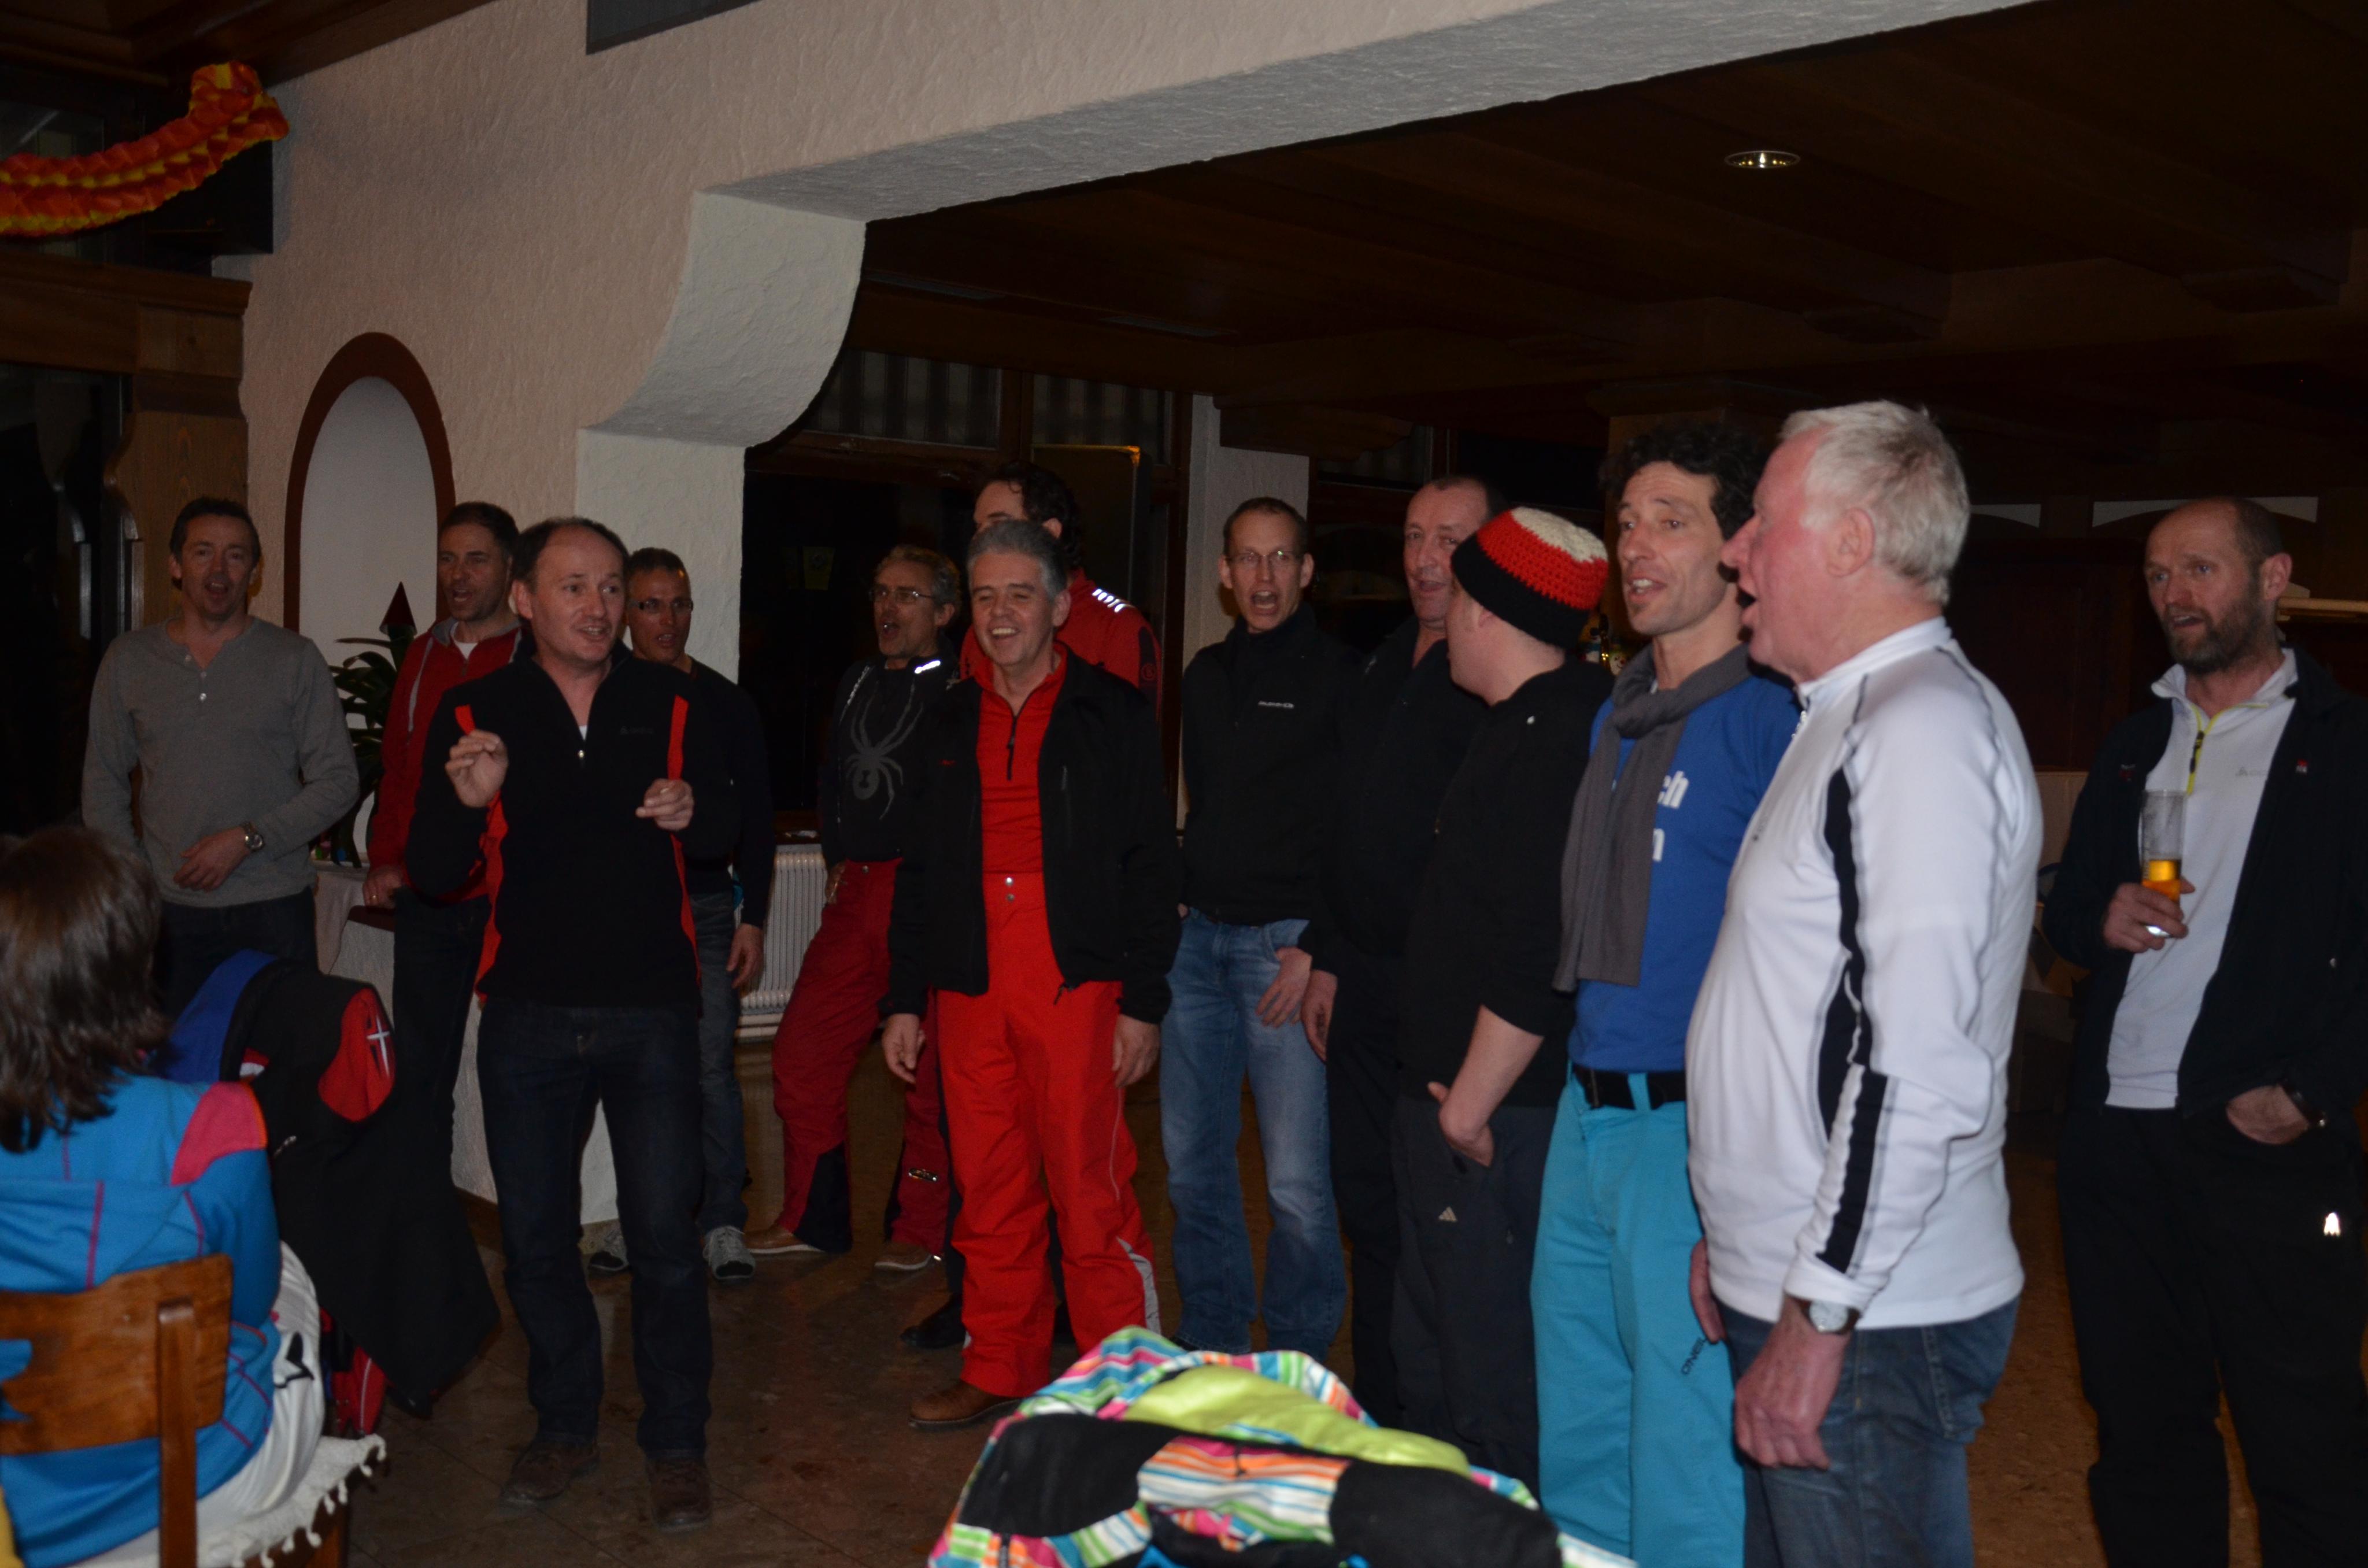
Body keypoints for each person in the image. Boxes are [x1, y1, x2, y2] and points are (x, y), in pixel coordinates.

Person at [1688, 401, 2038, 1568]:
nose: (1736, 551)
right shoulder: (1846, 715)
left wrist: (1821, 1300)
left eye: (1760, 521)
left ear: (1850, 542)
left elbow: (1916, 1064)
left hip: (1874, 1316)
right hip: (1814, 1280)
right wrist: (1741, 1232)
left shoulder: (1917, 728)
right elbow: (1798, 999)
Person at [2044, 498, 2368, 1566]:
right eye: (2156, 575)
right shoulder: (2136, 741)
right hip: (2116, 1140)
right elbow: (2066, 911)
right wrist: (2097, 915)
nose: (2173, 594)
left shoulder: (2345, 744)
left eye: (2199, 569)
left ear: (2273, 578)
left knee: (2306, 1437)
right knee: (2142, 1428)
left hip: (2263, 1141)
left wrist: (2309, 1093)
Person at [408, 517, 737, 1532]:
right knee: (538, 1242)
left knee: (666, 1241)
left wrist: (695, 812)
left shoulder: (673, 702)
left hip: (652, 1014)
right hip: (528, 1017)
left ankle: (676, 1444)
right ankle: (562, 1427)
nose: (599, 607)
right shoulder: (478, 709)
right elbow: (433, 869)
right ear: (524, 599)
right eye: (574, 587)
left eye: (609, 588)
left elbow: (729, 834)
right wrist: (468, 803)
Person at [1530, 423, 1794, 1560]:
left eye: (1668, 522)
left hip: (1690, 1125)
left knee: (1685, 1448)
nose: (1634, 547)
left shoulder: (1771, 718)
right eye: (1626, 523)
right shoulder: (1619, 710)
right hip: (1586, 1105)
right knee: (1582, 1427)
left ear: (1737, 548)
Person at [880, 519, 1179, 1430]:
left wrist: (1143, 1001)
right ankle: (999, 1363)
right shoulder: (944, 718)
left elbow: (1150, 863)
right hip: (970, 982)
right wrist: (904, 999)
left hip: (1074, 983)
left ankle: (1123, 1386)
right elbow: (920, 870)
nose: (1001, 613)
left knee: (1091, 1193)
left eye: (1019, 594)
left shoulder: (1112, 713)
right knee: (990, 1189)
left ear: (1057, 606)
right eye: (985, 596)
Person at [0, 826, 323, 1568]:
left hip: (14, 1502)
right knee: (290, 1279)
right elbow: (247, 1305)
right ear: (131, 967)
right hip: (183, 1477)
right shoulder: (214, 1126)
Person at [1392, 505, 1612, 1491]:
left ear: (1485, 611)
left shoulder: (1554, 741)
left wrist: (1466, 1110)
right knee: (1439, 1357)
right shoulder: (1525, 723)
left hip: (1492, 1118)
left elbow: (1537, 943)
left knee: (1487, 1381)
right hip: (1465, 1106)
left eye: (1459, 594)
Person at [1297, 474, 1498, 1425]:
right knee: (1367, 1201)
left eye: (1450, 539)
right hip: (1362, 981)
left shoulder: (1496, 680)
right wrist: (1327, 951)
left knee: (1441, 1218)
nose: (1426, 558)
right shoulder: (1381, 663)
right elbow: (1346, 825)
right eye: (1415, 537)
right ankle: (1378, 1410)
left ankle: (1442, 1425)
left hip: (1444, 997)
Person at [1164, 496, 1355, 1361]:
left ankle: (1296, 1351)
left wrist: (1316, 945)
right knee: (1192, 1167)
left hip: (1284, 950)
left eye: (1281, 558)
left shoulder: (1343, 676)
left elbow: (1358, 828)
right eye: (1248, 558)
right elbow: (1206, 806)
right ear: (1224, 573)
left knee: (1296, 1183)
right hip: (1196, 949)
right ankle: (1212, 1332)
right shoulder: (1205, 675)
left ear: (1306, 571)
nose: (1264, 577)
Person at [747, 545, 959, 1269]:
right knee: (801, 1055)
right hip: (856, 892)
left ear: (944, 612)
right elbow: (833, 773)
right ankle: (812, 1218)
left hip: (923, 895)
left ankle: (921, 1228)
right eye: (880, 592)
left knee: (928, 1075)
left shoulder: (961, 690)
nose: (887, 608)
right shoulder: (858, 678)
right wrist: (836, 851)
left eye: (907, 595)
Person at [82, 497, 358, 1017]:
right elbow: (102, 781)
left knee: (275, 1058)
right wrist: (138, 878)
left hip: (274, 908)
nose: (219, 569)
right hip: (169, 914)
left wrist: (248, 839)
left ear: (254, 572)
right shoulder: (128, 661)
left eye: (235, 556)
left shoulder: (295, 659)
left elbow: (339, 780)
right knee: (175, 1058)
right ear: (175, 565)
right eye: (203, 552)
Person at [616, 546, 775, 1286]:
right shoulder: (601, 696)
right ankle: (644, 1217)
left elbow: (759, 820)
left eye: (678, 605)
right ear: (625, 613)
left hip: (710, 909)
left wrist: (755, 919)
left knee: (710, 1066)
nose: (667, 620)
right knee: (633, 1070)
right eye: (650, 605)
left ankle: (721, 1223)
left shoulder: (726, 703)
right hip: (628, 912)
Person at [362, 502, 527, 1178]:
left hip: (506, 901)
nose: (458, 575)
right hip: (428, 896)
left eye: (476, 560)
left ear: (509, 568)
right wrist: (387, 860)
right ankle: (421, 1208)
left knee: (516, 1066)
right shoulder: (423, 653)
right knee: (420, 1069)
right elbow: (399, 767)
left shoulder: (533, 655)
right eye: (447, 559)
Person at [960, 460, 1160, 705]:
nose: (981, 539)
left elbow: (1130, 726)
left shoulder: (1117, 628)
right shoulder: (986, 629)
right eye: (978, 527)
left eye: (999, 525)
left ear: (1050, 533)